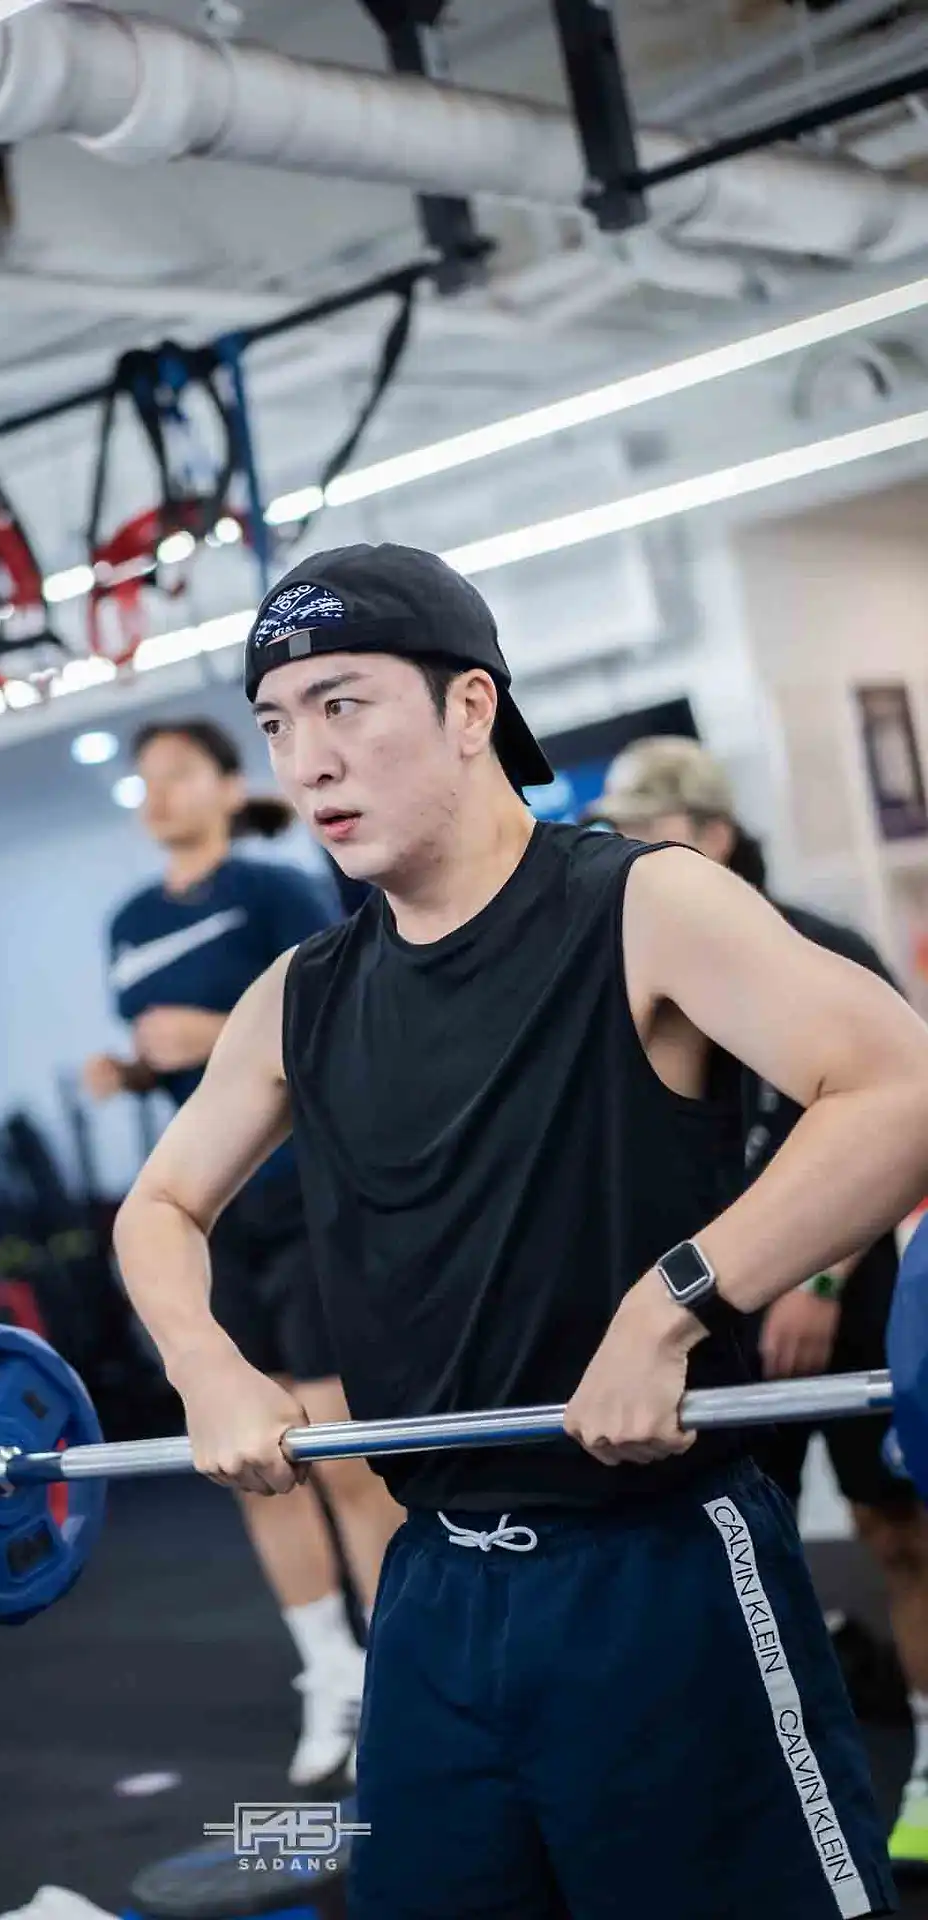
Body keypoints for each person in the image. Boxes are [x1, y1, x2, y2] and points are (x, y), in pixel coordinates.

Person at [109, 540, 928, 1920]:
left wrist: (671, 1304)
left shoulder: (640, 905)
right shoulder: (301, 994)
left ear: (470, 707)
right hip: (432, 1597)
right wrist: (206, 1363)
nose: (307, 762)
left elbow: (900, 1090)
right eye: (277, 723)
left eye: (342, 704)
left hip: (657, 1572)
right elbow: (160, 1205)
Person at [590, 733, 928, 1870]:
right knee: (727, 1544)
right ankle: (768, 1771)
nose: (629, 852)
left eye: (651, 830)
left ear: (716, 833)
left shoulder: (819, 948)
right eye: (616, 833)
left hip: (843, 1291)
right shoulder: (626, 971)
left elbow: (894, 1121)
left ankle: (926, 1759)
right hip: (713, 1311)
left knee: (897, 1530)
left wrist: (816, 1278)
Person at [83, 717, 402, 1785]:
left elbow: (340, 1018)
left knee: (339, 1450)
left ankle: (402, 1672)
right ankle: (332, 1675)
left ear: (228, 786)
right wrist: (133, 1072)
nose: (158, 794)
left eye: (178, 774)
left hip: (306, 1195)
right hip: (208, 1216)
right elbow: (174, 1061)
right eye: (145, 780)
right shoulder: (127, 921)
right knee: (248, 1460)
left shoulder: (275, 890)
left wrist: (209, 1031)